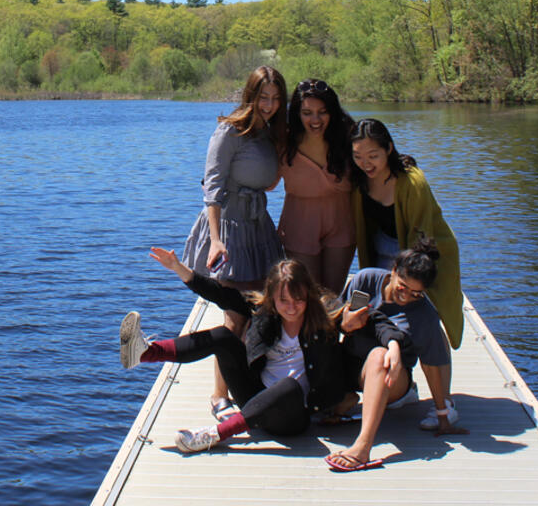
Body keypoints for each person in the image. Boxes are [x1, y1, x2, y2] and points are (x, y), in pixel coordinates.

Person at [121, 247, 413, 472]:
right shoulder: (265, 312)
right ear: (272, 297)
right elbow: (221, 295)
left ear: (309, 295)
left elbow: (375, 320)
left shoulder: (324, 314)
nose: (291, 307)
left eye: (298, 299)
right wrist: (179, 268)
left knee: (288, 385)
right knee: (224, 336)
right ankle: (147, 353)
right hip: (254, 397)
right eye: (283, 300)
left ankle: (214, 435)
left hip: (294, 413)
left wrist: (392, 345)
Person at [181, 65, 287, 419]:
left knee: (261, 309)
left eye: (275, 99)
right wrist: (214, 240)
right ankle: (219, 395)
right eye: (263, 97)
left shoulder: (270, 134)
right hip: (229, 227)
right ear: (250, 95)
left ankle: (250, 383)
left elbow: (270, 181)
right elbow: (211, 188)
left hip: (259, 227)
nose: (269, 105)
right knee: (234, 316)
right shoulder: (229, 130)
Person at [349, 118, 463, 431]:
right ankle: (406, 387)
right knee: (386, 318)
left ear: (388, 149)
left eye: (373, 155)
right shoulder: (359, 182)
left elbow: (422, 238)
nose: (365, 163)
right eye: (358, 156)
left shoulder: (412, 181)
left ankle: (446, 403)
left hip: (426, 253)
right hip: (385, 251)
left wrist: (409, 282)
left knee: (426, 320)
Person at [341, 237, 467, 435]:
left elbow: (432, 365)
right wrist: (346, 324)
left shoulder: (424, 314)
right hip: (352, 363)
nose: (406, 297)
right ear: (393, 270)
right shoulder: (366, 281)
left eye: (416, 294)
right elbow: (340, 320)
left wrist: (443, 414)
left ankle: (399, 399)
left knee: (380, 356)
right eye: (402, 287)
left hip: (392, 375)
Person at [275, 79, 356, 292]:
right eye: (307, 112)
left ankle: (331, 326)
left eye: (322, 112)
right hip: (299, 225)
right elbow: (264, 180)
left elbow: (378, 161)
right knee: (307, 295)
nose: (315, 119)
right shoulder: (284, 141)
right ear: (296, 114)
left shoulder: (348, 137)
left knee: (331, 296)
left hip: (342, 225)